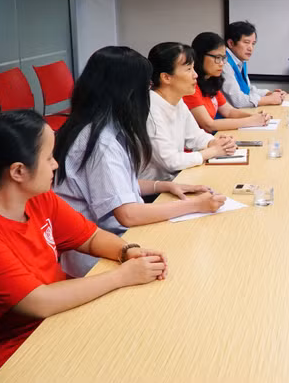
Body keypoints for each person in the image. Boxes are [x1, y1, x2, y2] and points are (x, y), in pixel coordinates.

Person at [0, 110, 168, 372]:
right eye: (49, 157)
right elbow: (39, 302)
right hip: (20, 352)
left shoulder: (39, 198)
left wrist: (128, 251)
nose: (55, 165)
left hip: (63, 317)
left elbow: (91, 237)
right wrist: (121, 276)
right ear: (18, 171)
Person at [53, 46, 226, 276]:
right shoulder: (99, 141)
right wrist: (196, 205)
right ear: (126, 91)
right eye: (146, 86)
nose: (149, 93)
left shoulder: (104, 127)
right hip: (98, 261)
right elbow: (128, 214)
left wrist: (162, 186)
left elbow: (115, 185)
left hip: (119, 242)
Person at [141, 42, 237, 182]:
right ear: (166, 77)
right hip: (155, 192)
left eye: (193, 68)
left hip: (176, 179)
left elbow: (195, 136)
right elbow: (171, 161)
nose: (196, 75)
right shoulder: (150, 108)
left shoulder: (178, 101)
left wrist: (215, 142)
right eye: (188, 69)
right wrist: (213, 151)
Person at [185, 32, 272, 132]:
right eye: (217, 58)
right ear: (200, 56)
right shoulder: (191, 87)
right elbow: (209, 125)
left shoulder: (211, 81)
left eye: (223, 58)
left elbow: (229, 111)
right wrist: (251, 120)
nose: (222, 63)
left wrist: (256, 117)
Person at [223, 21, 287, 108]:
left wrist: (270, 94)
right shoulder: (223, 62)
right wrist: (270, 99)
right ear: (231, 43)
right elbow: (238, 101)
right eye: (246, 42)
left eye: (253, 44)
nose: (250, 48)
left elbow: (248, 90)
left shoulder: (240, 61)